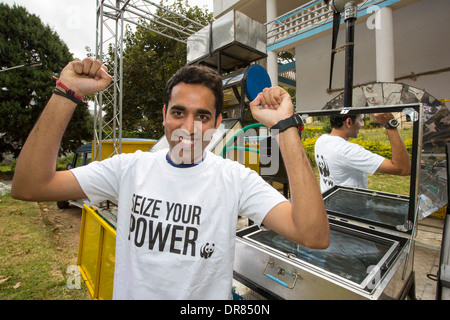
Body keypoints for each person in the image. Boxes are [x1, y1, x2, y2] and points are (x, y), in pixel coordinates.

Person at [11, 58, 329, 299]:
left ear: (218, 122)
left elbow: (313, 235)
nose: (188, 127)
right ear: (164, 114)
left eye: (202, 116)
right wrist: (66, 93)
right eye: (179, 113)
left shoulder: (235, 179)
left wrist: (284, 126)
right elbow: (30, 185)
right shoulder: (128, 169)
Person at [315, 112, 411, 193]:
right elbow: (403, 169)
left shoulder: (321, 140)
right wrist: (390, 124)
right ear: (348, 122)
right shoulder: (347, 151)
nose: (363, 125)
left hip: (329, 202)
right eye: (361, 120)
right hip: (351, 210)